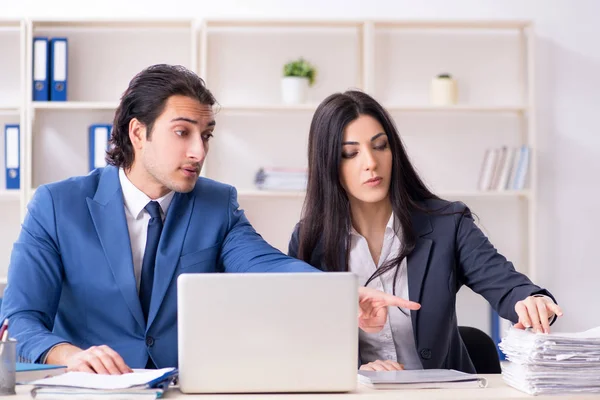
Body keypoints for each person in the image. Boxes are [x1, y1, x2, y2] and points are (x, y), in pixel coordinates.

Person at [0, 65, 419, 374]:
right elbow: (18, 319)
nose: (199, 151)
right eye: (183, 132)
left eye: (206, 134)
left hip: (186, 389)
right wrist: (70, 354)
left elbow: (264, 264)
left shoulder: (217, 204)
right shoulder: (57, 205)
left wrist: (340, 292)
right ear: (138, 133)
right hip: (91, 391)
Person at [288, 90, 563, 373]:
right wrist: (356, 373)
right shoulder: (310, 239)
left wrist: (532, 300)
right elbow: (304, 342)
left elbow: (505, 284)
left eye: (380, 146)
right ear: (328, 164)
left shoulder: (447, 223)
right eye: (351, 153)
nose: (370, 162)